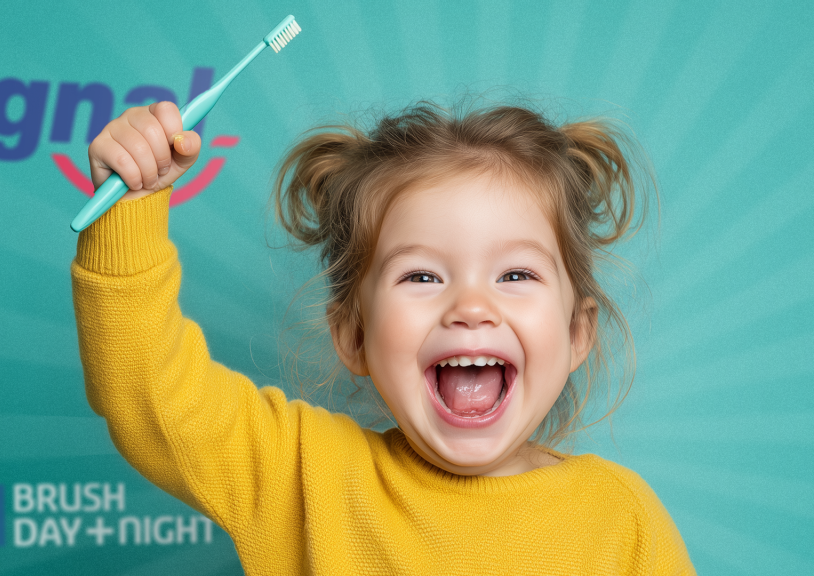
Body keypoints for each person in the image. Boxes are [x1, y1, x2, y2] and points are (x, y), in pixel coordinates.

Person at [71, 99, 695, 574]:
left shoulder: (622, 518)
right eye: (422, 275)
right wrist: (131, 204)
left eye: (516, 273)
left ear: (576, 331)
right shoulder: (303, 475)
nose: (471, 306)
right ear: (354, 335)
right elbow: (148, 390)